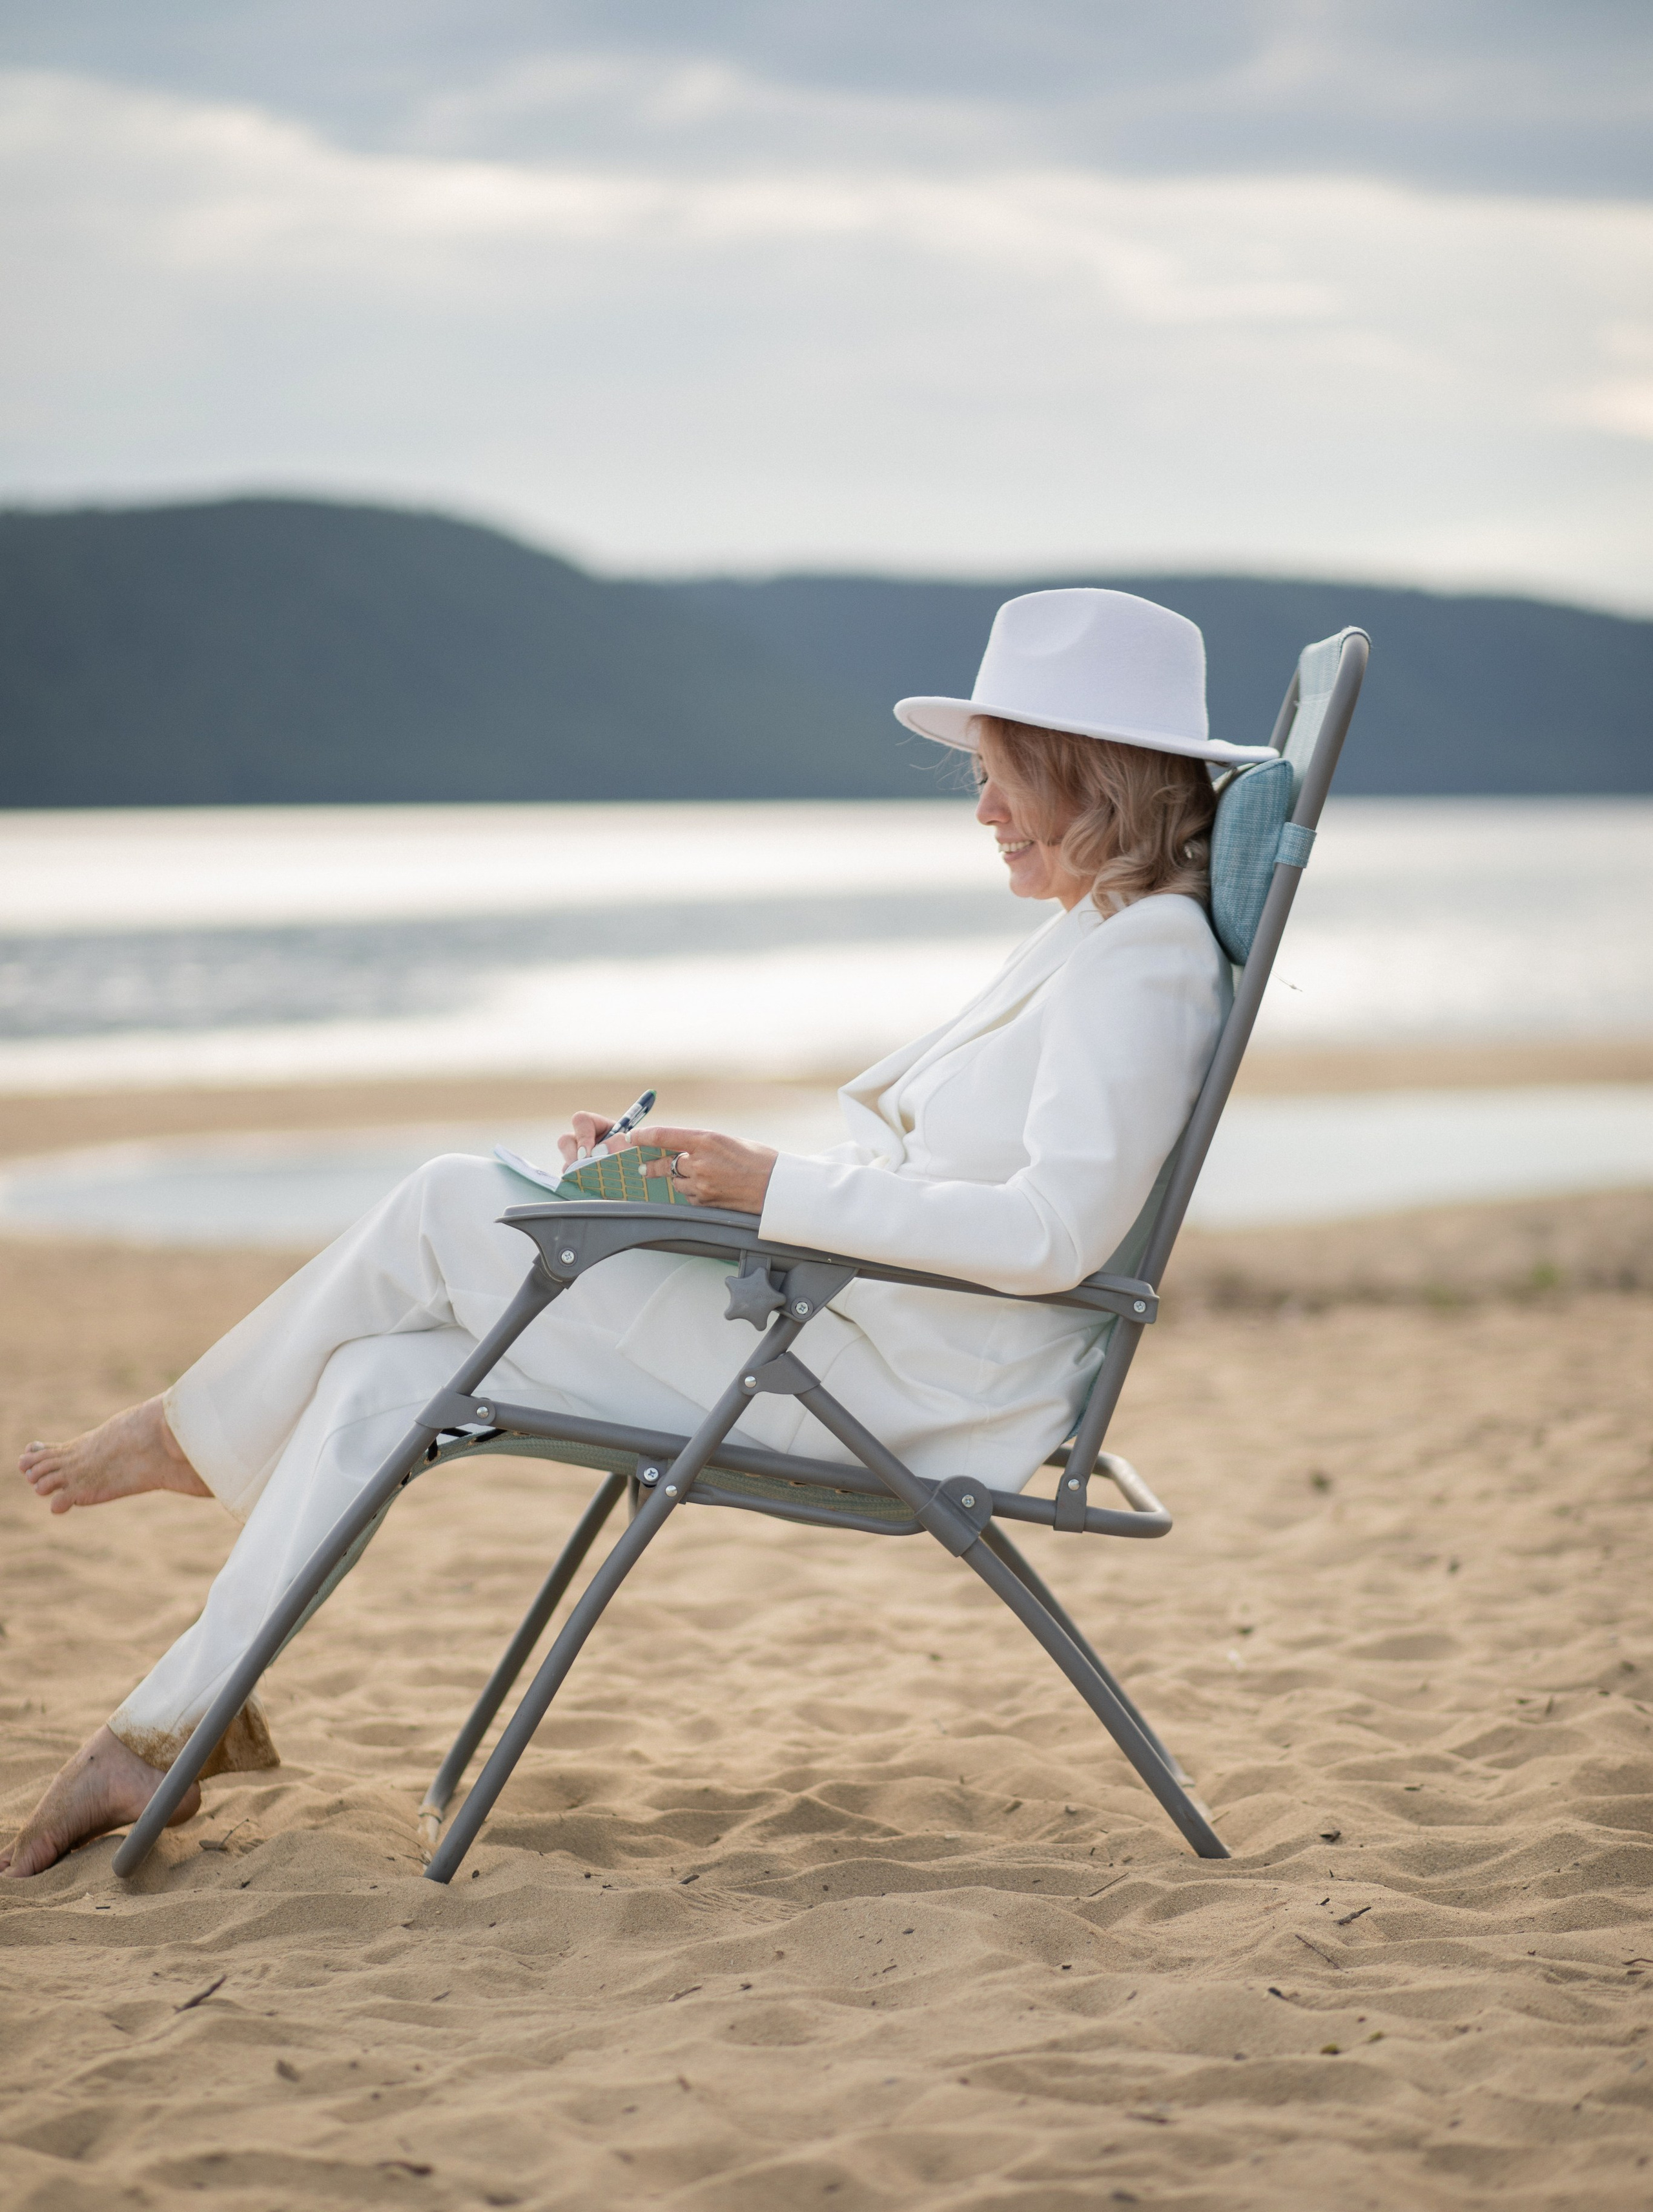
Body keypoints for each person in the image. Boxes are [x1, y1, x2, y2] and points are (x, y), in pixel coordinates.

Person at [6, 588, 1275, 1876]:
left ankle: (182, 1437)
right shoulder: (1090, 939)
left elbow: (1053, 1235)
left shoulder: (1146, 962)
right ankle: (167, 1728)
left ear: (1089, 778)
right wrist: (685, 1187)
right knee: (380, 1375)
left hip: (906, 1387)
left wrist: (768, 1191)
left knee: (454, 1200)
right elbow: (928, 1181)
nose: (982, 810)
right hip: (851, 1326)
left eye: (1004, 778)